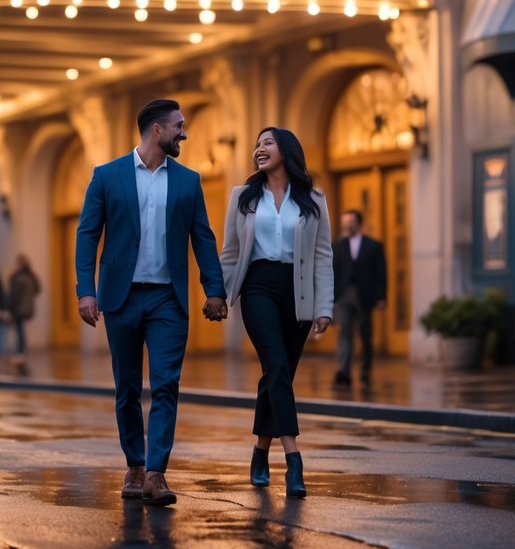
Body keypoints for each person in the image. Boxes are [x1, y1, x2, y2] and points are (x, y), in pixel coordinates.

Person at [75, 98, 227, 506]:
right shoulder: (107, 176)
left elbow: (203, 237)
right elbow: (87, 234)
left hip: (167, 299)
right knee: (126, 387)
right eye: (179, 126)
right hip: (121, 299)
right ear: (156, 130)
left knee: (165, 384)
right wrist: (85, 290)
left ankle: (157, 473)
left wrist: (215, 289)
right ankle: (135, 465)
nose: (184, 132)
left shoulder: (188, 181)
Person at [219, 126, 333, 498]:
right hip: (258, 286)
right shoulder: (243, 197)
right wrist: (218, 294)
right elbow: (231, 252)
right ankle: (294, 459)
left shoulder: (313, 199)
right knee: (278, 367)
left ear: (287, 150)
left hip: (298, 291)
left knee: (277, 375)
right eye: (256, 144)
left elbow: (322, 256)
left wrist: (324, 307)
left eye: (267, 143)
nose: (258, 150)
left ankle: (259, 453)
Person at [332, 209, 387, 388]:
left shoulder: (373, 246)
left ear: (358, 223)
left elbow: (381, 273)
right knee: (344, 333)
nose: (347, 225)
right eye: (344, 222)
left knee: (365, 334)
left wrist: (380, 297)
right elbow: (332, 271)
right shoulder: (337, 245)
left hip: (365, 295)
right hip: (343, 295)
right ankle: (344, 371)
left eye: (350, 222)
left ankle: (365, 370)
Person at [7, 254, 41, 374]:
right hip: (27, 308)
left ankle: (19, 354)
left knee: (19, 331)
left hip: (18, 308)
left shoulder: (17, 277)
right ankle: (21, 354)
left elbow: (13, 296)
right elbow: (38, 289)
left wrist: (10, 309)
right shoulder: (31, 276)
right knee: (21, 331)